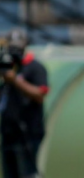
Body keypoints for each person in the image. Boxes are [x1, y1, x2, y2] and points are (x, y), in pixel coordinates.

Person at [0, 28, 49, 178]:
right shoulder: (7, 67)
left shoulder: (35, 67)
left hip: (27, 133)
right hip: (8, 132)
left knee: (27, 173)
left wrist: (14, 80)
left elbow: (40, 94)